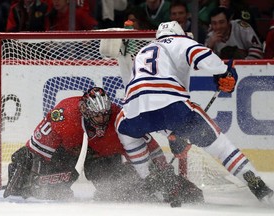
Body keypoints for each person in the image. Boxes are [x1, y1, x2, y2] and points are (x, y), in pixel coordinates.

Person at [115, 20, 274, 206]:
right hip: (172, 106)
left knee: (125, 130)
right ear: (180, 33)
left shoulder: (144, 50)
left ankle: (149, 178)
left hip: (135, 109)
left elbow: (147, 97)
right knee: (220, 146)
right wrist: (225, 72)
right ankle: (257, 185)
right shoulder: (182, 41)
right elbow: (204, 56)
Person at [3, 87, 203, 203]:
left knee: (121, 192)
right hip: (67, 153)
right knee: (54, 192)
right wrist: (28, 160)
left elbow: (149, 146)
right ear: (84, 109)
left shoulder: (120, 119)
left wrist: (163, 172)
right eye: (96, 114)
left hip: (103, 158)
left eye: (104, 114)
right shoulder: (65, 114)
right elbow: (39, 146)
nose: (101, 118)